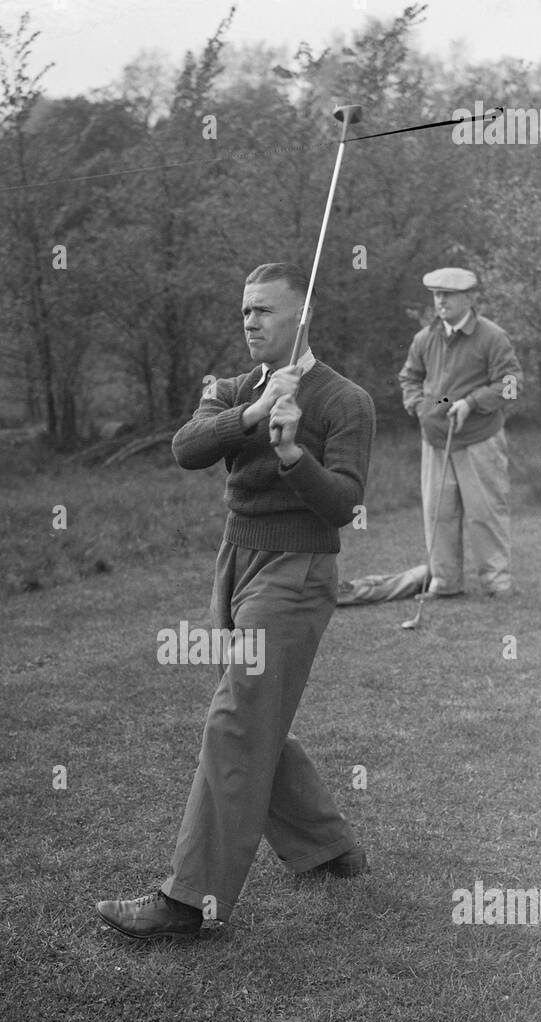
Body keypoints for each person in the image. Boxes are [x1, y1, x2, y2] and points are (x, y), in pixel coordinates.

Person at [96, 262, 374, 941]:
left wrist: (289, 455)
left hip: (299, 567)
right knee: (252, 708)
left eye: (264, 311)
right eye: (244, 311)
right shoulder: (228, 388)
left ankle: (189, 901)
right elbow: (186, 448)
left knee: (235, 718)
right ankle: (324, 845)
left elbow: (342, 503)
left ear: (299, 319)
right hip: (236, 562)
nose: (249, 322)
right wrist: (251, 413)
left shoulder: (345, 401)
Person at [396, 267, 523, 598]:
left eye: (448, 295)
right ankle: (445, 582)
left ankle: (497, 581)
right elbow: (410, 378)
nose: (441, 301)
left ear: (469, 298)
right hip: (435, 440)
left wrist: (471, 402)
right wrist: (418, 405)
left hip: (479, 439)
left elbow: (511, 385)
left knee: (485, 513)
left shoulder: (492, 337)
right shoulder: (425, 338)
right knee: (439, 514)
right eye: (437, 295)